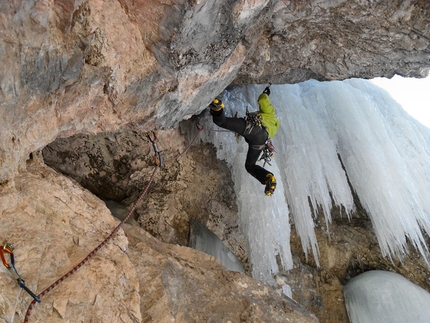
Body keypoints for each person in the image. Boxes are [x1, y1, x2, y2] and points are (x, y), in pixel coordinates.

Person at [209, 86, 280, 196]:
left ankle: (218, 107)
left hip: (253, 128)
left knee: (222, 122)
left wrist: (266, 93)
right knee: (250, 166)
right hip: (260, 142)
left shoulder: (271, 113)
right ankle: (268, 178)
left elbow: (263, 100)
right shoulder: (275, 127)